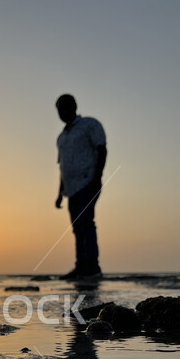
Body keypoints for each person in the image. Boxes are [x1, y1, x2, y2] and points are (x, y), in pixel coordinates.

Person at [55, 94, 107, 280]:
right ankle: (81, 265)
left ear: (75, 106)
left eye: (67, 107)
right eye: (60, 109)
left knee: (86, 221)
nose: (63, 111)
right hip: (71, 189)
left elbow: (101, 149)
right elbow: (63, 167)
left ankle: (92, 265)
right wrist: (60, 193)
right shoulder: (61, 138)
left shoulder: (89, 125)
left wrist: (97, 177)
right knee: (77, 226)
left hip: (88, 182)